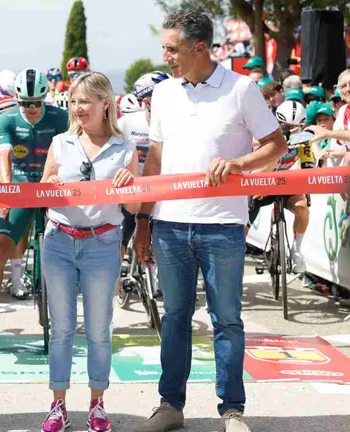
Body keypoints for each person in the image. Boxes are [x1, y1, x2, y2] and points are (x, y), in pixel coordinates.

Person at [133, 10, 287, 432]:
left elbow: (276, 145)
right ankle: (170, 407)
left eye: (171, 48)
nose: (165, 56)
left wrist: (239, 163)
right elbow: (157, 161)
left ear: (199, 48)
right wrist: (144, 220)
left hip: (223, 225)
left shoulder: (242, 89)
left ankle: (232, 411)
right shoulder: (163, 94)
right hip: (168, 226)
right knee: (175, 319)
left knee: (227, 321)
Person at [39, 71, 138, 432]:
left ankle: (97, 404)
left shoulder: (125, 147)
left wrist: (129, 185)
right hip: (59, 242)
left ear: (105, 104)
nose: (78, 108)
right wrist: (48, 183)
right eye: (74, 101)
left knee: (99, 329)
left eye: (85, 101)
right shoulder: (59, 142)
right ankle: (58, 405)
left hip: (103, 243)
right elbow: (44, 187)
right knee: (61, 329)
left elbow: (135, 207)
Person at [0, 68, 68, 323]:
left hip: (51, 183)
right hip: (19, 183)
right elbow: (4, 158)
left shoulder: (59, 118)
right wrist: (7, 192)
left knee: (64, 251)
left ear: (44, 100)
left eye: (37, 103)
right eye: (26, 103)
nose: (31, 109)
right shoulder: (8, 119)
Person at [116, 71, 168, 300]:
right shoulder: (127, 123)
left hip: (162, 191)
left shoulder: (178, 123)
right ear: (144, 102)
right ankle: (113, 281)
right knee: (119, 238)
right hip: (132, 191)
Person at [248, 100, 312, 273]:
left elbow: (309, 168)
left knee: (302, 207)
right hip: (262, 182)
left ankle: (297, 251)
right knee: (244, 223)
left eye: (295, 127)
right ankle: (236, 259)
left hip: (285, 184)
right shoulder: (265, 135)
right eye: (286, 126)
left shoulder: (304, 138)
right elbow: (260, 170)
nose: (291, 130)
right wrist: (279, 148)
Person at [306, 70, 350, 154]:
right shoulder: (342, 111)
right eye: (343, 86)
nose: (348, 89)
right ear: (339, 91)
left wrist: (328, 133)